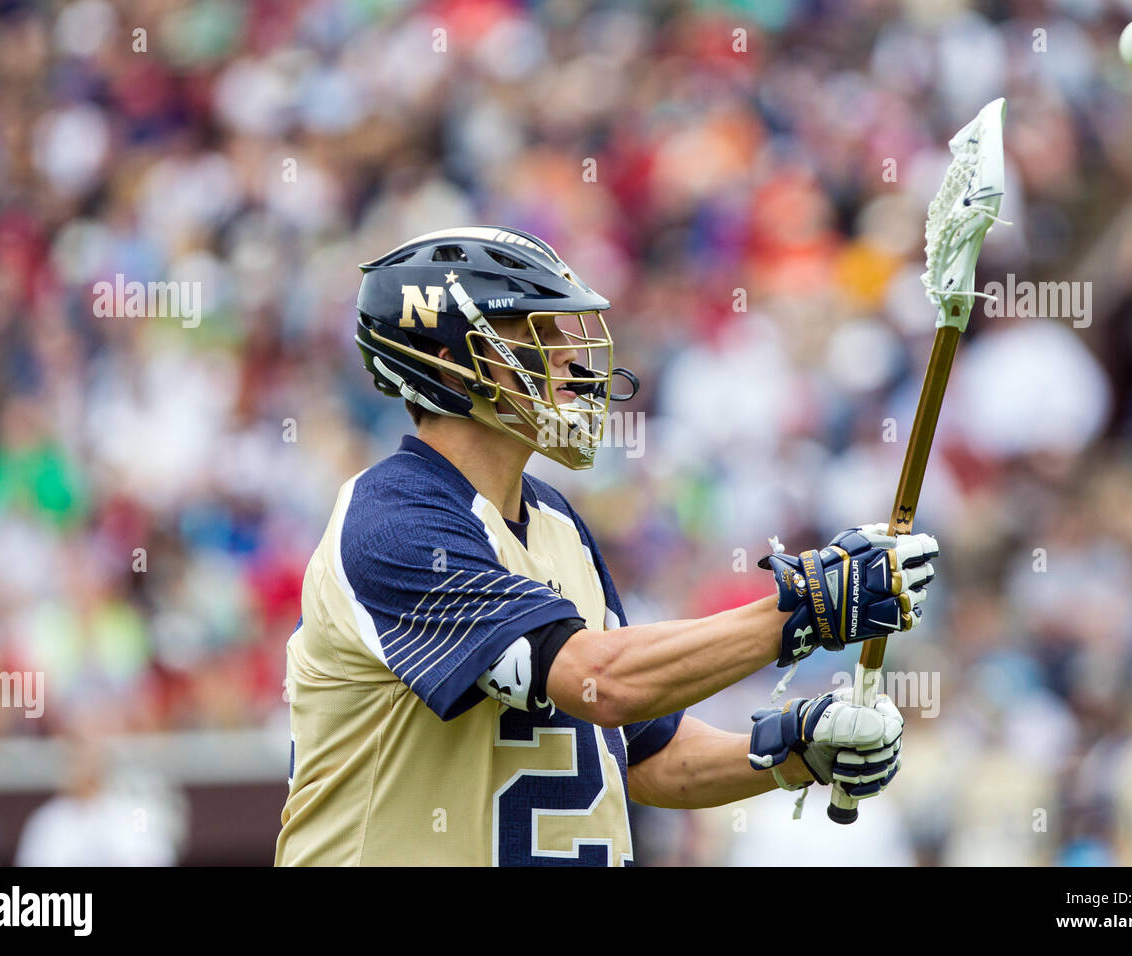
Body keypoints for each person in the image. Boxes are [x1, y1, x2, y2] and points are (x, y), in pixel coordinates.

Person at [274, 226, 940, 866]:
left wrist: (794, 749)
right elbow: (600, 681)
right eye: (538, 332)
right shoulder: (394, 521)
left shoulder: (553, 519)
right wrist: (805, 610)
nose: (570, 353)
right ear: (450, 366)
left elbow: (643, 753)